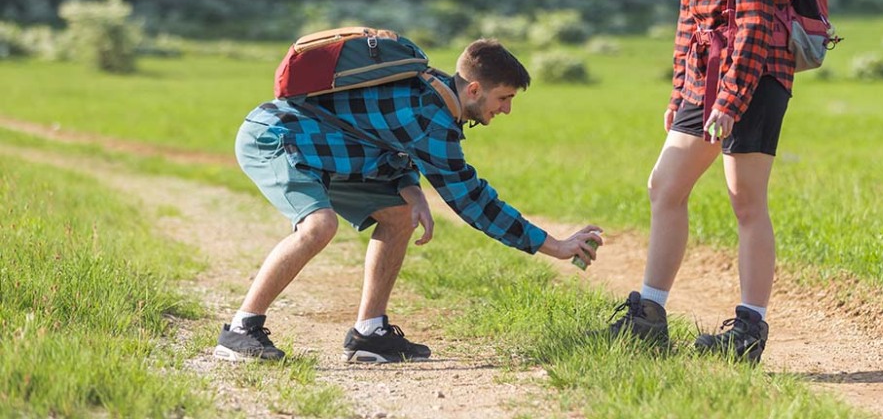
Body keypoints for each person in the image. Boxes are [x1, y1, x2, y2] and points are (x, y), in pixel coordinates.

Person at [215, 38, 603, 363]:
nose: (506, 109)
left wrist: (410, 186)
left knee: (401, 215)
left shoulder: (431, 89)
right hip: (277, 138)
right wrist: (554, 245)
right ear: (473, 90)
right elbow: (474, 202)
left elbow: (381, 133)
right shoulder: (431, 116)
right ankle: (240, 329)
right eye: (503, 97)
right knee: (320, 225)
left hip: (328, 151)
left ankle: (369, 334)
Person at [605, 0, 796, 363]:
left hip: (757, 78)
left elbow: (756, 23)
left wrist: (729, 103)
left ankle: (748, 332)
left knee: (746, 200)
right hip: (705, 82)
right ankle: (648, 317)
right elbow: (690, 21)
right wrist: (681, 93)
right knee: (665, 185)